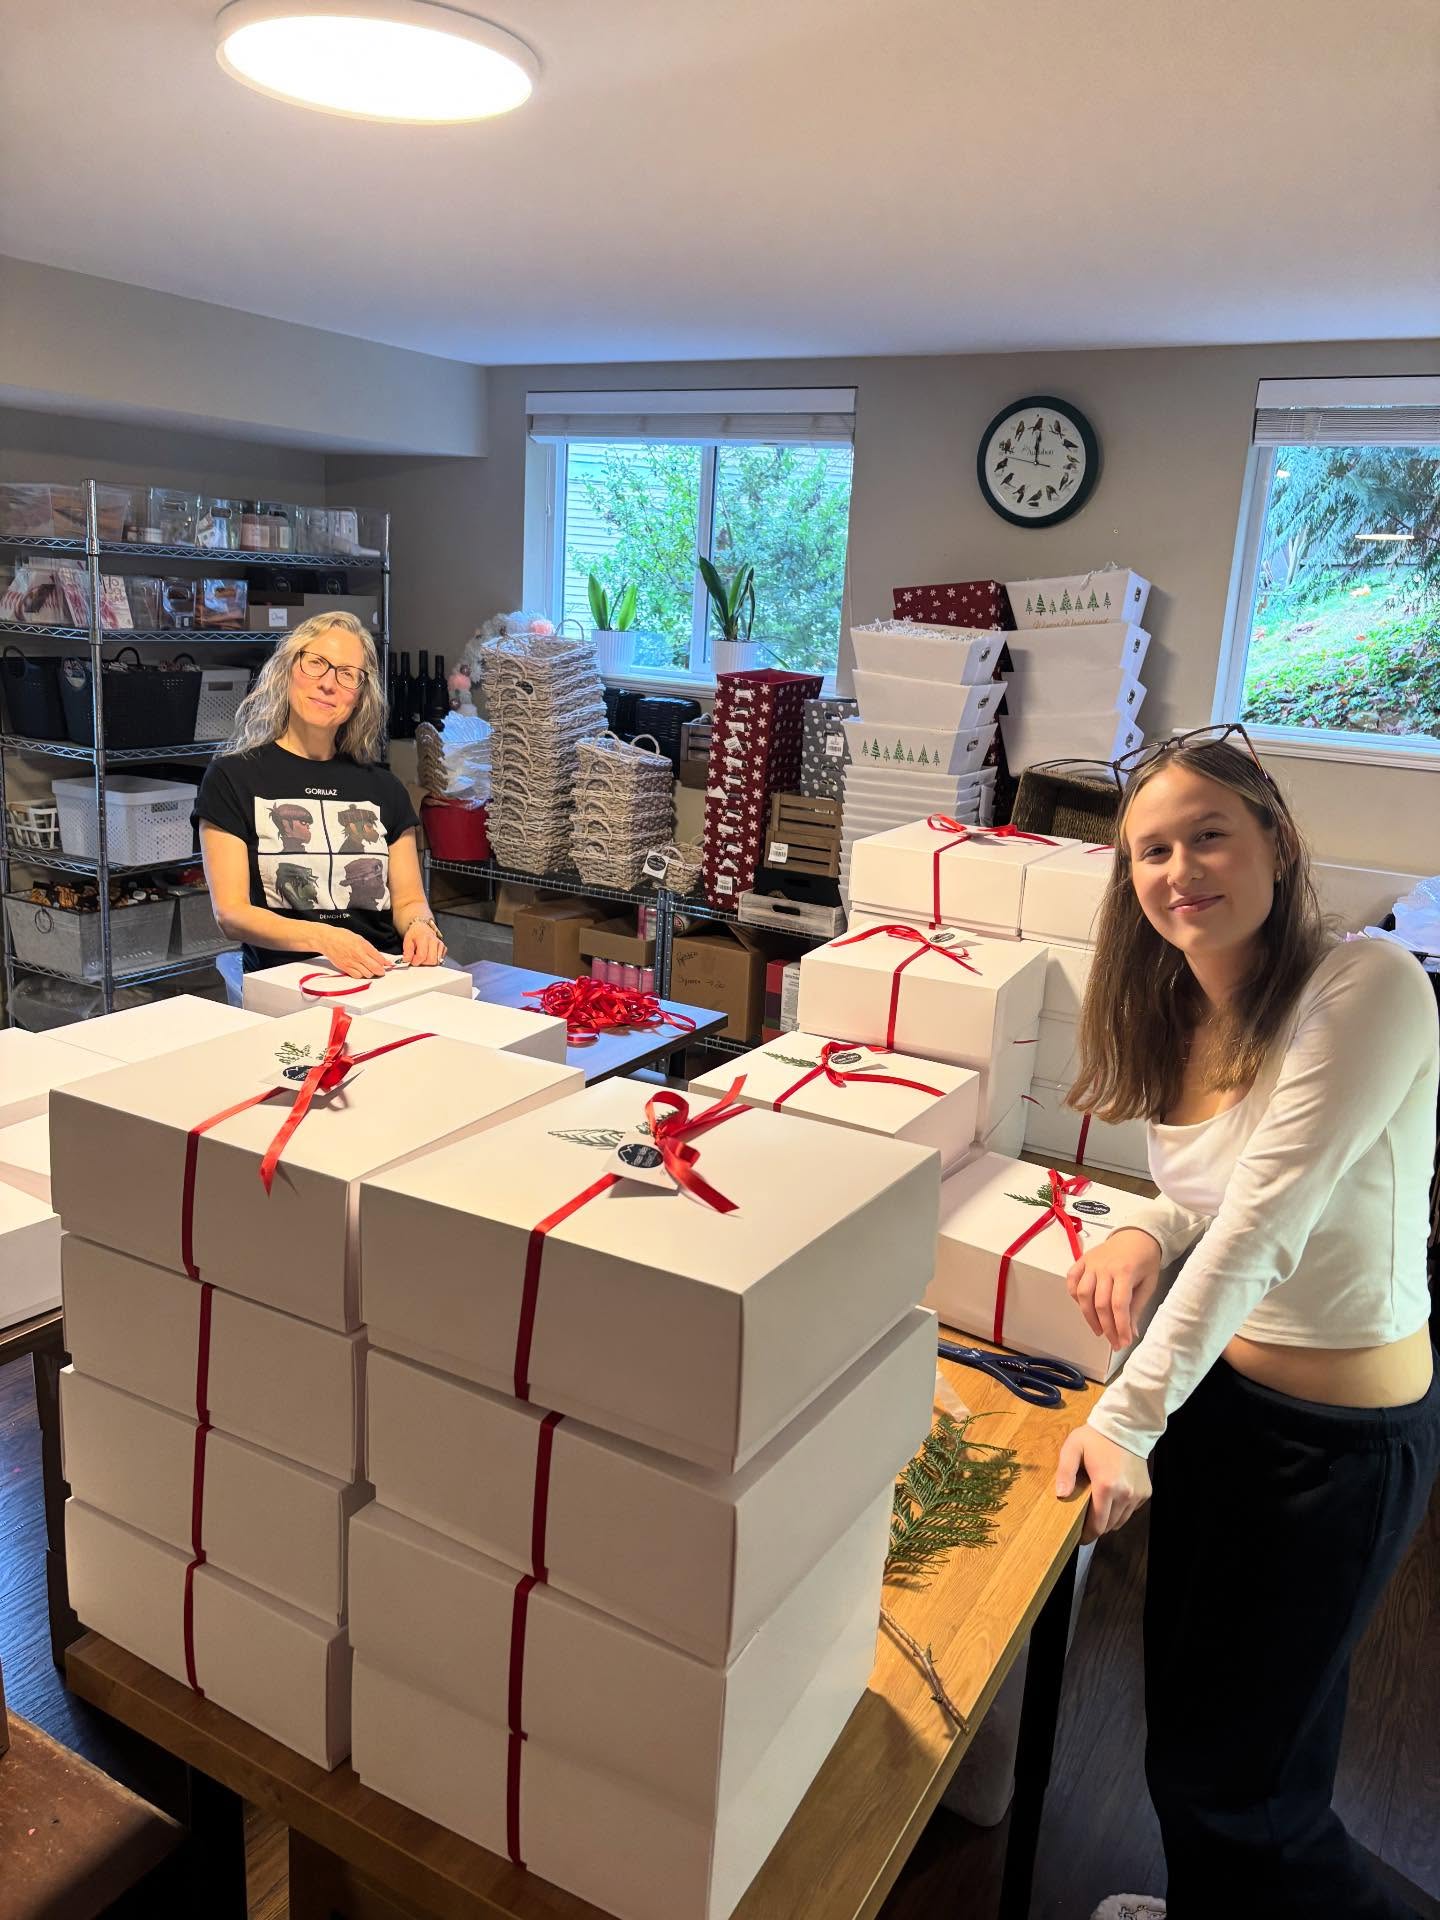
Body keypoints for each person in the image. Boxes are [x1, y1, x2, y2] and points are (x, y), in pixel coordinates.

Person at [1054, 727, 1439, 1920]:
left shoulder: (1366, 985)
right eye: (1152, 850)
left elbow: (1266, 1225)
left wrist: (1124, 1419)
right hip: (1227, 1404)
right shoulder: (1186, 1008)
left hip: (1336, 1450)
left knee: (1245, 1787)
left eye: (1208, 833)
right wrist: (1138, 1230)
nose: (1181, 868)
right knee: (1213, 1734)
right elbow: (1206, 1196)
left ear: (1274, 838)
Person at [195, 611, 447, 978]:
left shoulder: (385, 789)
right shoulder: (233, 778)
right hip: (289, 982)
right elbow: (232, 914)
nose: (329, 683)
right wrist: (326, 939)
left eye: (347, 674)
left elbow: (409, 900)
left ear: (361, 697)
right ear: (287, 670)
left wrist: (423, 927)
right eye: (316, 663)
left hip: (385, 974)